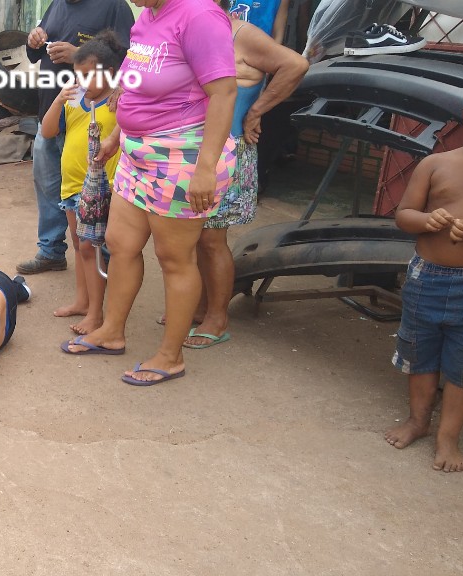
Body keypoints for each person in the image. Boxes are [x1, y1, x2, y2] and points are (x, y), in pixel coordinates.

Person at [67, 0, 236, 387]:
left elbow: (225, 93)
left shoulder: (199, 16)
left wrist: (205, 167)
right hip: (136, 152)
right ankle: (111, 331)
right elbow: (135, 87)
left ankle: (170, 355)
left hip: (182, 155)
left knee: (174, 257)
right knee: (119, 241)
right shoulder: (148, 16)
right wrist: (114, 136)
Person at [183, 1, 308, 348]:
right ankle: (200, 305)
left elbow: (296, 64)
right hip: (195, 150)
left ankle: (217, 318)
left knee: (211, 239)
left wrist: (257, 111)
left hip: (228, 151)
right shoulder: (192, 31)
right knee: (192, 236)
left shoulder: (241, 33)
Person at [384, 94, 463, 473]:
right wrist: (426, 221)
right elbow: (403, 215)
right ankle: (418, 421)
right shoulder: (436, 164)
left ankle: (448, 436)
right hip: (428, 277)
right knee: (419, 351)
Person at [16, 0, 134, 276]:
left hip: (92, 118)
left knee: (94, 190)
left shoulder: (114, 6)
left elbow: (129, 58)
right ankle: (51, 251)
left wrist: (78, 54)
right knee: (50, 186)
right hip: (53, 109)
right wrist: (33, 41)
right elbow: (34, 55)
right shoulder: (57, 4)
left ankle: (103, 255)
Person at [40, 31, 124, 337]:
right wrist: (58, 100)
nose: (83, 81)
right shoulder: (74, 98)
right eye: (78, 74)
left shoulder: (119, 100)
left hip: (103, 188)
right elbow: (48, 132)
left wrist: (122, 87)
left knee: (92, 248)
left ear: (111, 73)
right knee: (79, 245)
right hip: (72, 186)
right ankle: (82, 300)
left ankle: (95, 313)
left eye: (89, 74)